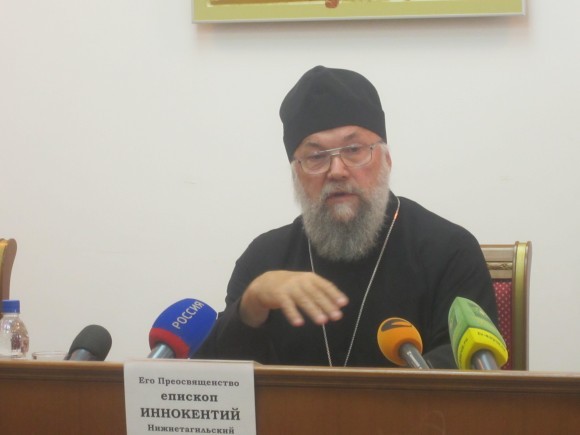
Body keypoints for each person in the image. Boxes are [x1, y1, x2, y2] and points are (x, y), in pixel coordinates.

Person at [195, 66, 497, 368]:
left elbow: (468, 370)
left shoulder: (448, 250)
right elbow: (219, 383)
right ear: (296, 174)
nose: (337, 171)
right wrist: (251, 306)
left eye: (353, 150)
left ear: (387, 159)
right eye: (316, 157)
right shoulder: (264, 259)